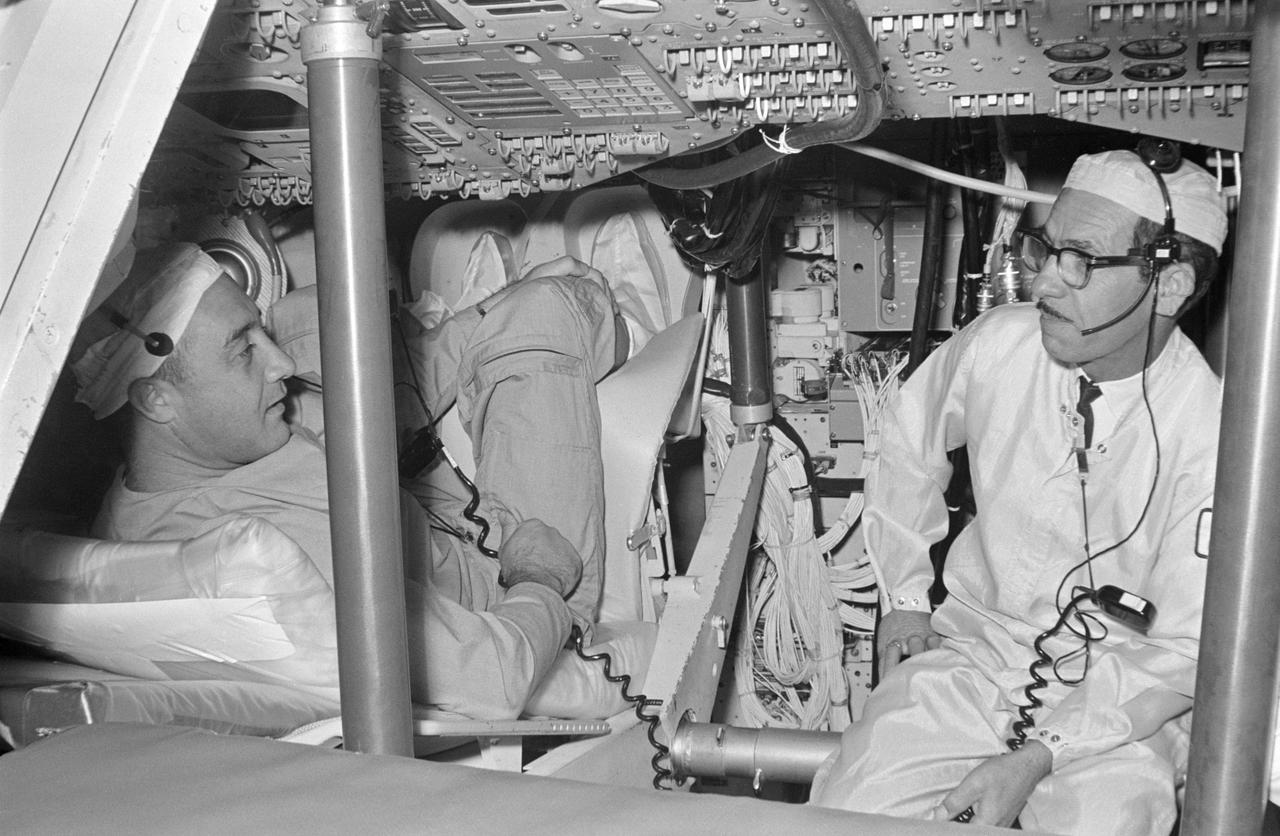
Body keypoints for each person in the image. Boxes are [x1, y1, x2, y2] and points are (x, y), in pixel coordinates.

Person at [808, 148, 1228, 834]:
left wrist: (1040, 755)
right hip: (974, 656)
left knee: (1108, 820)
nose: (1045, 286)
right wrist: (907, 600)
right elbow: (909, 442)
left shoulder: (1214, 436)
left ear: (1171, 285)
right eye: (1045, 249)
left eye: (1081, 262)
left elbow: (1181, 650)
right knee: (849, 811)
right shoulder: (1001, 345)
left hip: (1123, 702)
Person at [72, 242, 627, 720]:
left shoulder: (169, 472)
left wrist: (485, 311)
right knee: (547, 310)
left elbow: (311, 402)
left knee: (309, 319)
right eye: (243, 350)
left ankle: (488, 313)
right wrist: (541, 580)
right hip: (509, 577)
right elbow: (492, 676)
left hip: (393, 507)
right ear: (155, 399)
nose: (277, 365)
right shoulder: (275, 552)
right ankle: (600, 318)